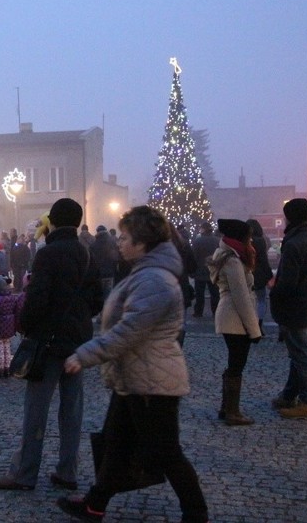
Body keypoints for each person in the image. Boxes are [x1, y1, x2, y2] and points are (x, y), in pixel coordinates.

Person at [57, 205, 209, 523]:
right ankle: (94, 505)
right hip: (134, 377)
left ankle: (196, 513)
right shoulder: (142, 273)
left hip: (152, 380)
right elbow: (118, 320)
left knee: (166, 452)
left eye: (125, 238)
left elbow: (129, 331)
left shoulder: (154, 279)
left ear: (142, 244)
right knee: (116, 444)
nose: (119, 243)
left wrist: (84, 355)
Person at [0, 198, 102, 492]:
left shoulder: (48, 254)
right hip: (77, 341)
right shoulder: (87, 254)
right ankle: (68, 471)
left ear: (51, 220)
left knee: (36, 409)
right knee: (72, 409)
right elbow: (97, 302)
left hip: (48, 342)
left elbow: (37, 299)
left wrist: (25, 323)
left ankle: (25, 474)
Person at [270, 198, 307, 420]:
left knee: (301, 355)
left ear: (289, 217)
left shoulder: (293, 244)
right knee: (297, 354)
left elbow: (287, 283)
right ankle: (288, 394)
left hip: (293, 308)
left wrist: (275, 293)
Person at [208, 219, 262, 426]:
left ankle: (227, 408)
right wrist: (254, 330)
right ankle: (232, 412)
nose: (250, 239)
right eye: (248, 236)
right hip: (234, 318)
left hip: (232, 315)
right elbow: (241, 297)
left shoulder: (230, 255)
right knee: (237, 364)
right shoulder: (232, 259)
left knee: (235, 363)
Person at [246, 219, 273, 335]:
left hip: (246, 273)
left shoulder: (243, 240)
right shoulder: (261, 241)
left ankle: (248, 325)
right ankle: (259, 325)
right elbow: (263, 260)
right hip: (259, 273)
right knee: (261, 300)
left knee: (248, 300)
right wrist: (269, 275)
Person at [191, 222, 220, 317]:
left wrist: (192, 270)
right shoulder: (217, 241)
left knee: (199, 294)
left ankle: (198, 311)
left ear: (203, 229)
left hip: (200, 270)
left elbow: (194, 257)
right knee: (215, 293)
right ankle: (215, 311)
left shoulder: (198, 241)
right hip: (213, 271)